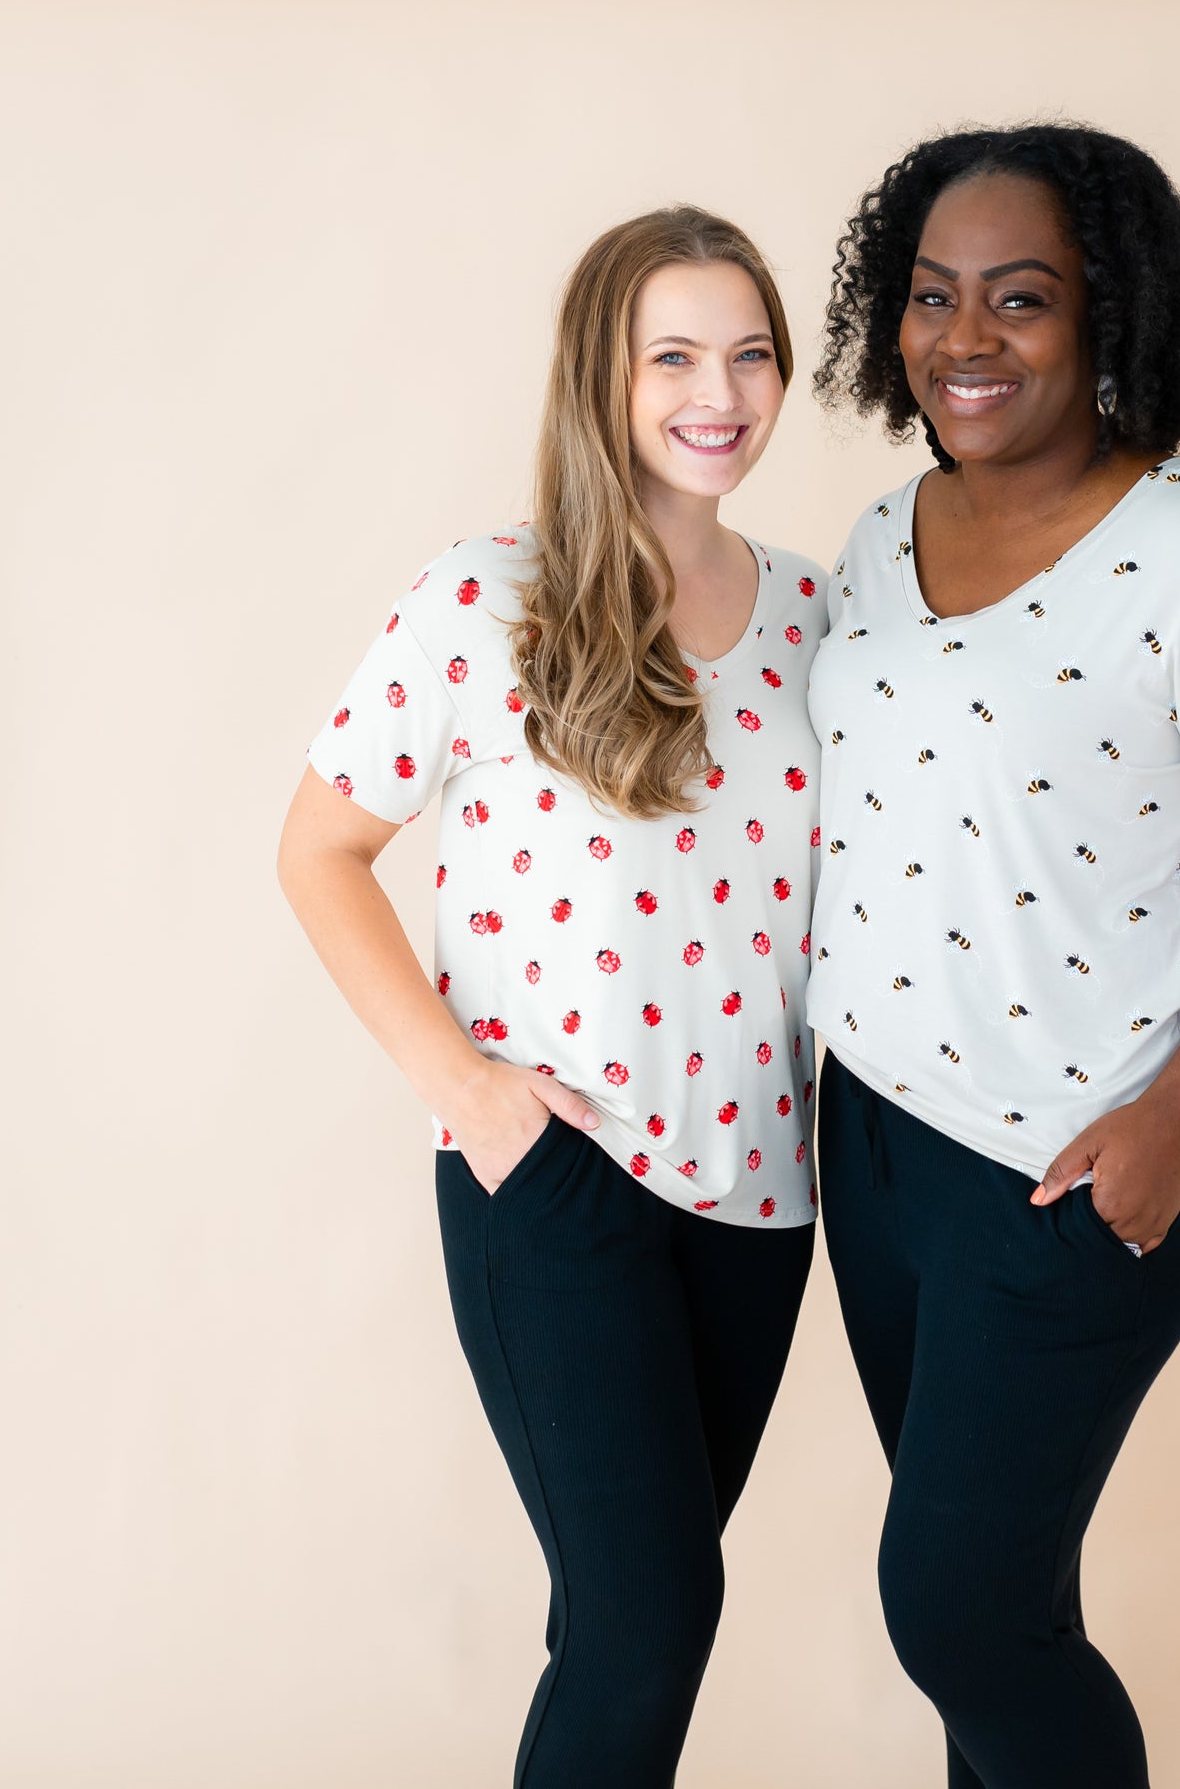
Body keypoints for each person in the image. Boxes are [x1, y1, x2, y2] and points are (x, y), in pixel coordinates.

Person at [807, 124, 1180, 1788]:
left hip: (1075, 1167)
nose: (964, 338)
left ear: (1112, 316)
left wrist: (1176, 1123)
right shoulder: (877, 535)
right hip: (881, 1140)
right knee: (1005, 1599)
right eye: (931, 297)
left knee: (962, 1614)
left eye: (1021, 299)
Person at [277, 205, 827, 1787]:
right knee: (650, 1614)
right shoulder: (487, 596)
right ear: (602, 374)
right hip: (561, 1177)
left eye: (749, 354)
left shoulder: (815, 613)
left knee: (630, 1615)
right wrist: (474, 1099)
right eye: (673, 355)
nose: (718, 392)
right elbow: (319, 848)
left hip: (759, 1197)